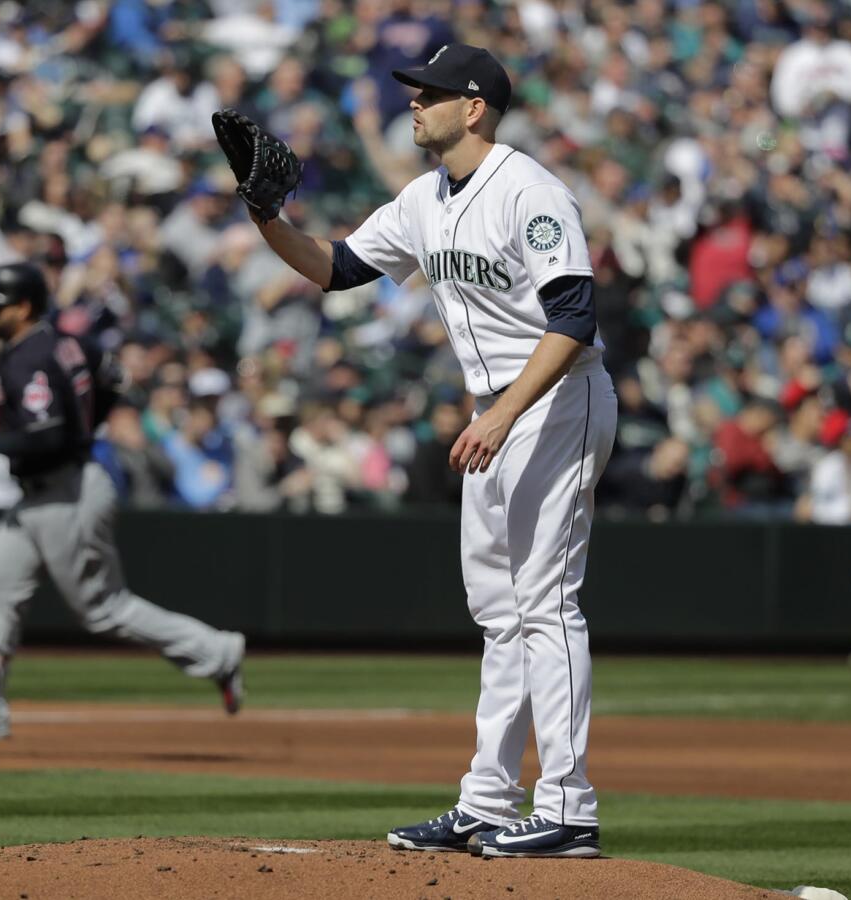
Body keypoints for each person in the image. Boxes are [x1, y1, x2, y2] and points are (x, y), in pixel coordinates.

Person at [242, 44, 616, 858]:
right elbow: (334, 268)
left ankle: (568, 805)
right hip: (499, 411)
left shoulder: (529, 192)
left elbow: (575, 315)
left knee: (546, 603)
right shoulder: (423, 198)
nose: (414, 103)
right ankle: (486, 800)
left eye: (430, 93)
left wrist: (505, 414)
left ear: (473, 106)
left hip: (555, 401)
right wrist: (267, 216)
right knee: (499, 613)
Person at [0, 262, 245, 748]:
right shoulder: (68, 342)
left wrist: (0, 443)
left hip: (65, 490)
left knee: (104, 609)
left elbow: (47, 432)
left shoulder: (26, 357)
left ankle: (217, 653)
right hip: (43, 493)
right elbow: (114, 380)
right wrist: (85, 425)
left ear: (24, 305)